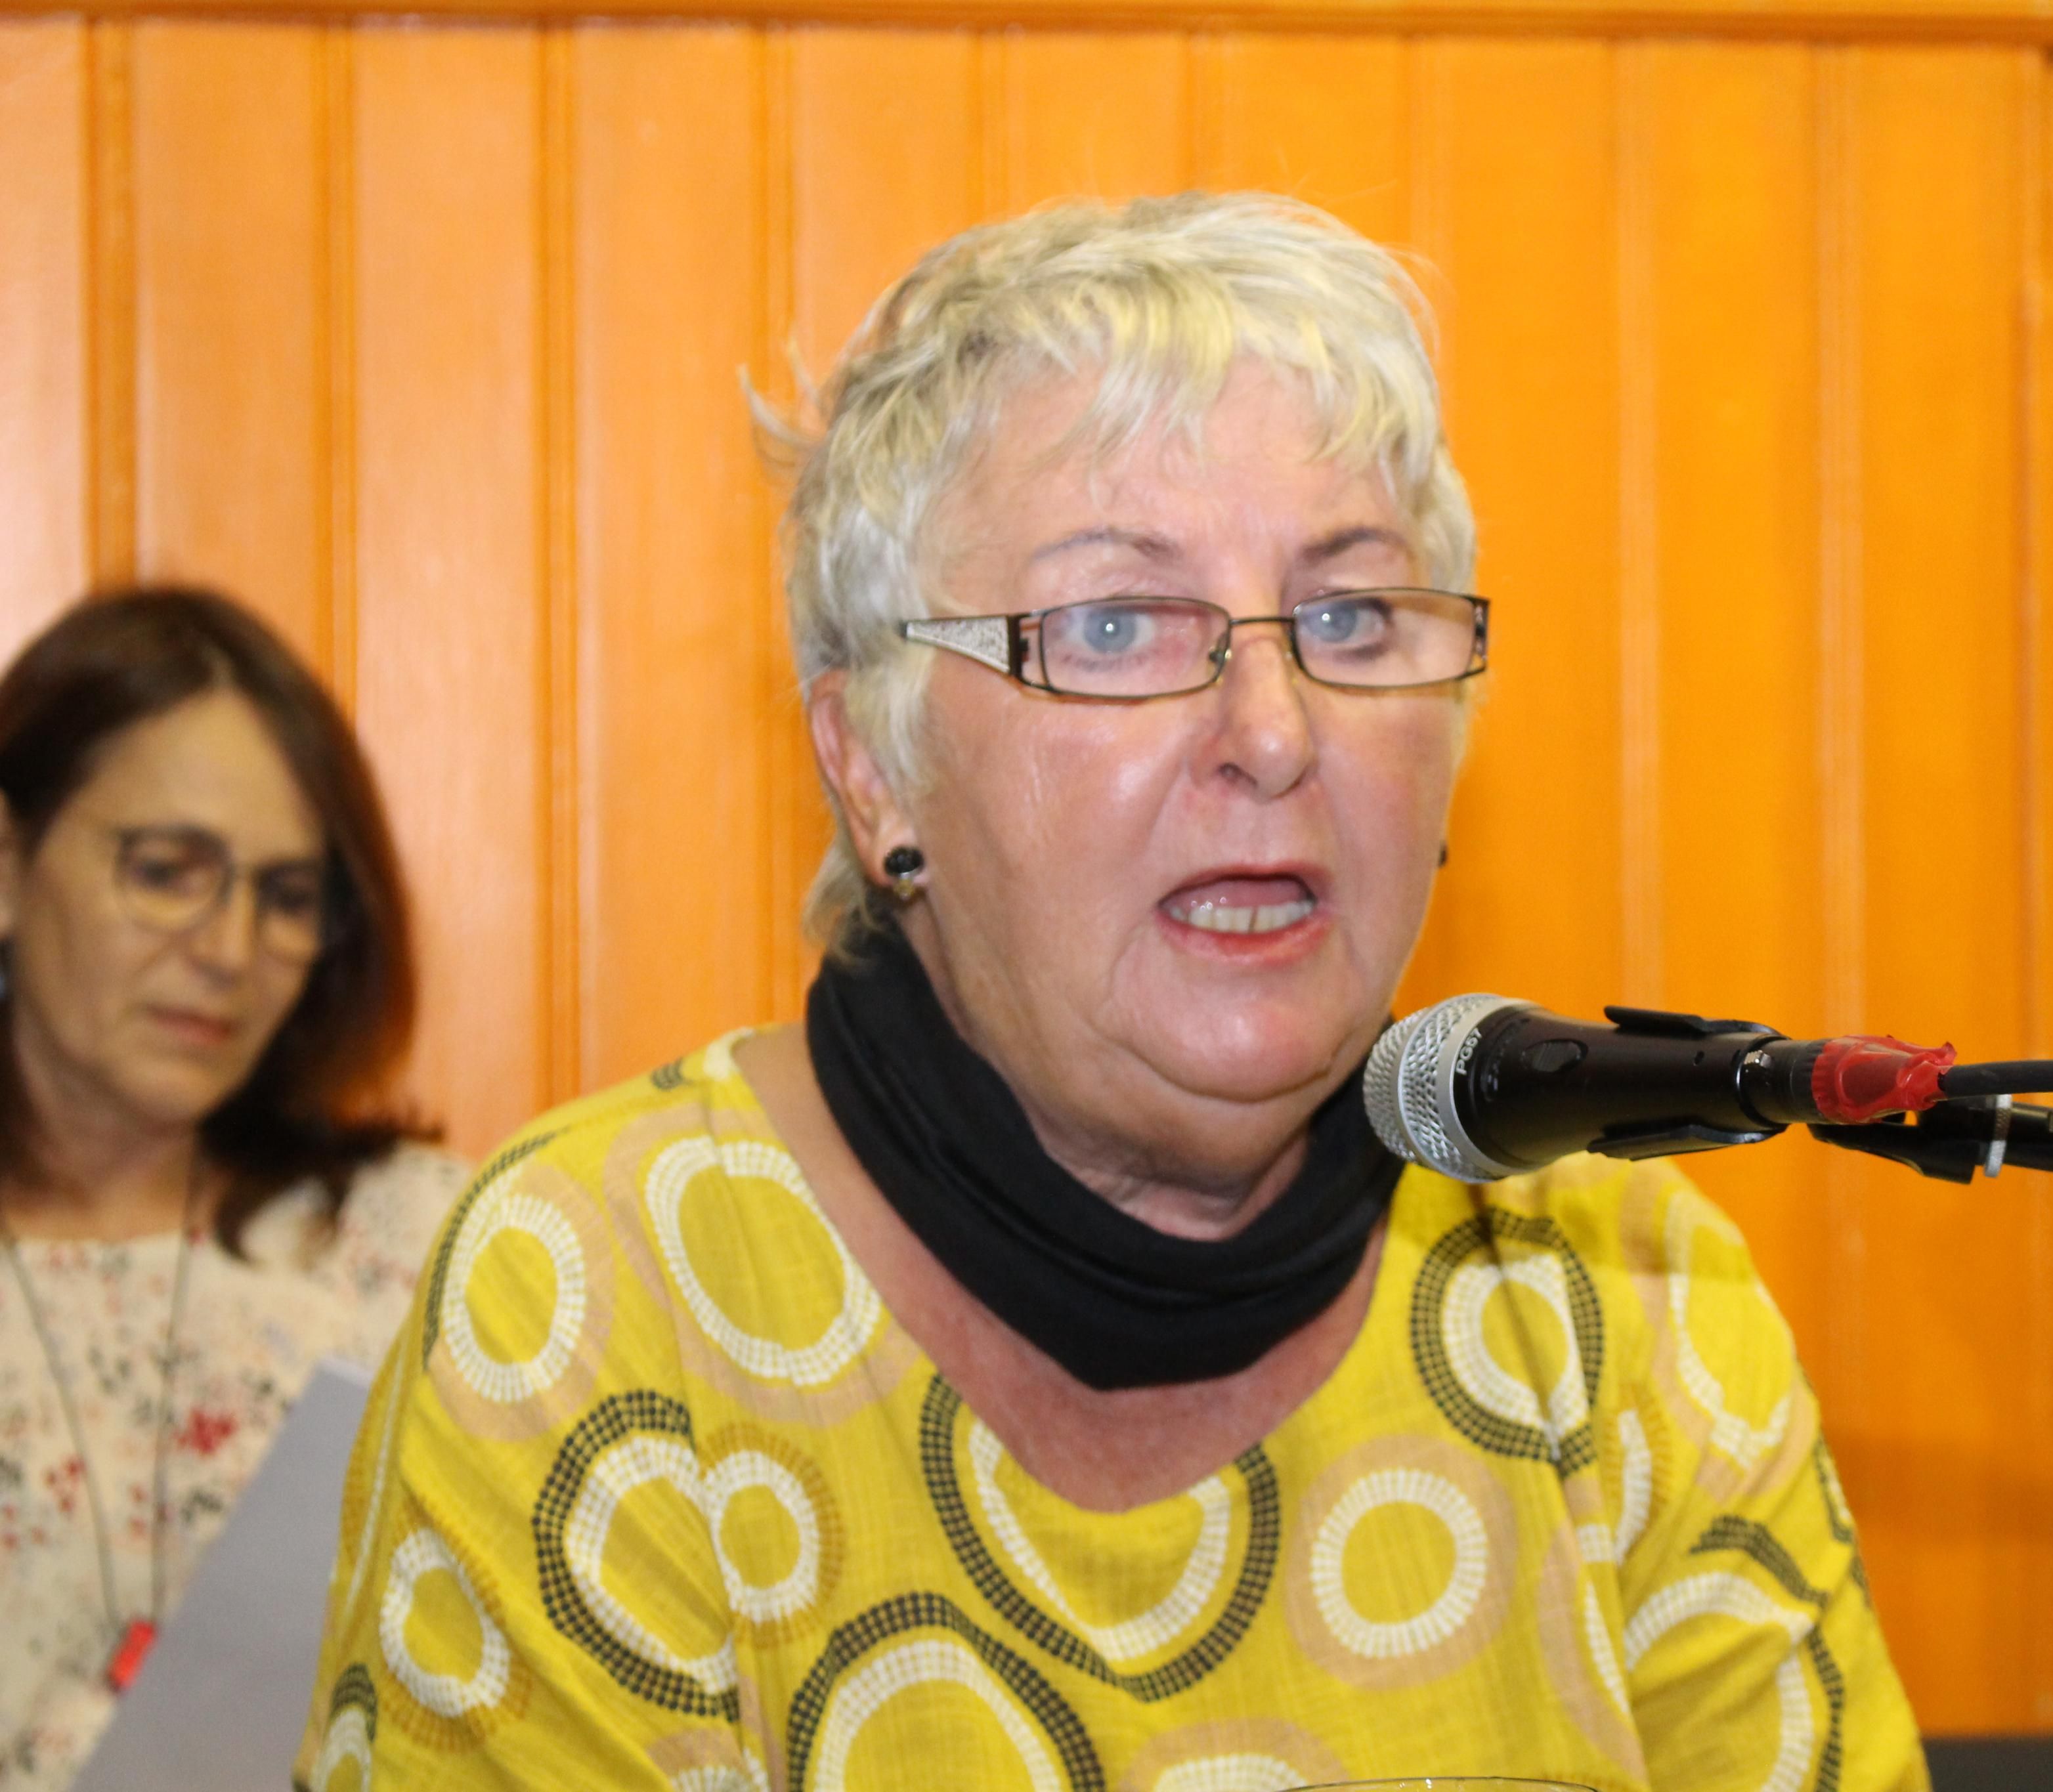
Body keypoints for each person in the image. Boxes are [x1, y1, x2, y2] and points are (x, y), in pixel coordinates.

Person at [301, 194, 1927, 1791]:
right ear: (875, 767)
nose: (1272, 732)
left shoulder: (1616, 1291)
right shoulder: (594, 1303)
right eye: (1116, 626)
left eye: (1351, 616)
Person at [0, 589, 465, 1789]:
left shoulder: (419, 1245)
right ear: (8, 864)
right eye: (167, 872)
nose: (228, 949)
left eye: (288, 896)